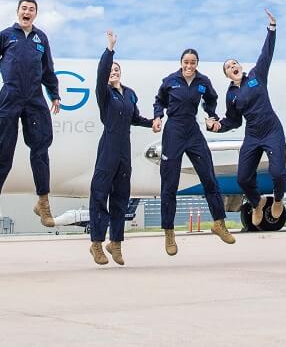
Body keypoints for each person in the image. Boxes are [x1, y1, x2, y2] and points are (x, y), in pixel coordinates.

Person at [0, 0, 61, 230]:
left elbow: (48, 69)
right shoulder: (5, 35)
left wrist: (54, 94)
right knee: (3, 150)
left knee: (41, 150)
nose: (27, 12)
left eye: (31, 9)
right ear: (18, 12)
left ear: (35, 14)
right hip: (10, 96)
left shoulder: (40, 38)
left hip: (35, 98)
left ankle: (43, 202)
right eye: (24, 8)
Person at [153, 49, 236, 255]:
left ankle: (219, 223)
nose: (189, 66)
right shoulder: (170, 81)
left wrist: (211, 115)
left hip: (192, 129)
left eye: (193, 62)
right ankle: (169, 233)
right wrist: (157, 116)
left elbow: (211, 99)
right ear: (181, 62)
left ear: (197, 63)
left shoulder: (203, 81)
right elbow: (159, 101)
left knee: (209, 177)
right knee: (169, 183)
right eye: (186, 62)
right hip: (173, 131)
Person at [88, 31, 154, 266]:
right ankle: (96, 243)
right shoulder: (104, 93)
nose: (113, 71)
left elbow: (135, 118)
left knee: (121, 196)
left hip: (125, 149)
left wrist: (152, 123)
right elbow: (101, 72)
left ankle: (115, 242)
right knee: (99, 194)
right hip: (108, 146)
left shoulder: (130, 94)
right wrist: (110, 48)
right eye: (110, 69)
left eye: (117, 69)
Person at [217, 11, 286, 229]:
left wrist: (272, 27)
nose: (233, 66)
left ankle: (277, 200)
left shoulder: (256, 76)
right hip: (253, 135)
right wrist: (218, 126)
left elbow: (266, 53)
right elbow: (233, 121)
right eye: (229, 67)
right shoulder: (231, 95)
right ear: (227, 75)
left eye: (235, 63)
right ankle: (258, 203)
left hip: (272, 130)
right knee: (243, 178)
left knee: (278, 172)